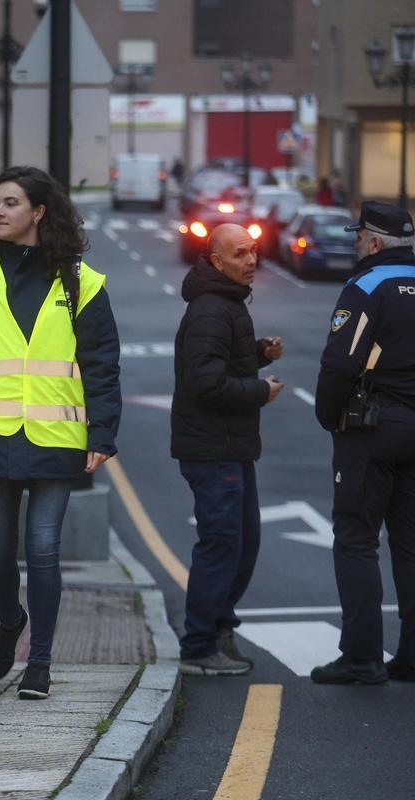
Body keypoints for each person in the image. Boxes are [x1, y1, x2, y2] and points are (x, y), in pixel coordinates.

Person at [0, 166, 121, 699]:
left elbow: (102, 363)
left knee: (42, 548)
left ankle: (39, 661)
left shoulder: (81, 282)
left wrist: (101, 434)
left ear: (39, 212)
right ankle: (11, 620)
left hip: (57, 437)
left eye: (12, 203)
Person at [171, 223, 285, 677]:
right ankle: (199, 645)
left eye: (254, 251)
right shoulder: (212, 310)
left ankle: (219, 629)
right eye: (240, 254)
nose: (251, 261)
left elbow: (218, 362)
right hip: (213, 448)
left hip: (230, 446)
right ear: (217, 261)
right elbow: (204, 383)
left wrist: (258, 354)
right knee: (222, 545)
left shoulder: (227, 303)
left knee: (242, 544)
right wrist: (261, 390)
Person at [311, 201, 415, 685]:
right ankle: (411, 656)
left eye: (359, 236)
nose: (354, 243)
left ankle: (361, 657)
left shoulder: (367, 285)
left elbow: (340, 362)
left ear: (374, 241)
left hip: (372, 429)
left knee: (356, 541)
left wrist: (328, 416)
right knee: (410, 545)